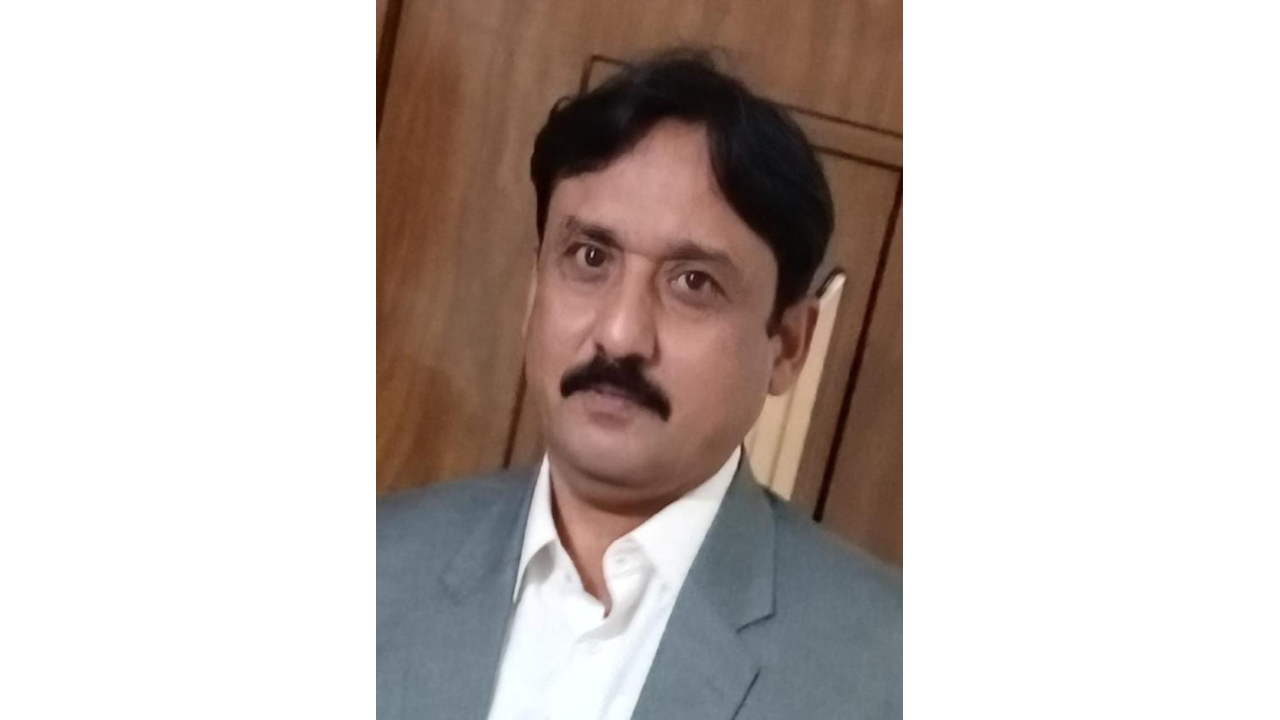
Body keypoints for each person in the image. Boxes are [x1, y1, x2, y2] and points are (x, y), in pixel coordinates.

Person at [377, 50, 901, 720]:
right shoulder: (374, 567)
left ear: (788, 346)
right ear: (536, 288)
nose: (621, 334)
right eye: (590, 258)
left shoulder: (889, 667)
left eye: (694, 283)